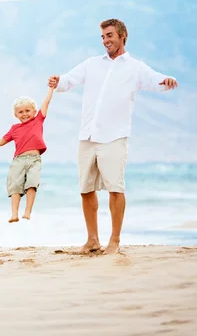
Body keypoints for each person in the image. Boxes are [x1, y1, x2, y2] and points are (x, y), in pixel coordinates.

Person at [48, 18, 178, 255]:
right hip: (87, 135)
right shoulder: (92, 64)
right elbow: (68, 80)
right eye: (103, 37)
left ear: (122, 35)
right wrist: (58, 81)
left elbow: (155, 80)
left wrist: (166, 81)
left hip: (115, 136)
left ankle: (114, 241)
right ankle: (92, 240)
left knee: (115, 189)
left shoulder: (135, 67)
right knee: (86, 189)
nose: (106, 40)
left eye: (109, 35)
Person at [0, 87, 54, 223]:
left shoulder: (38, 120)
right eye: (20, 112)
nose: (24, 114)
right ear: (16, 115)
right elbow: (1, 141)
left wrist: (51, 89)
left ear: (34, 112)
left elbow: (46, 102)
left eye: (27, 111)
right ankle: (14, 214)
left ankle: (27, 211)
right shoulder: (14, 129)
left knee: (32, 184)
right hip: (18, 161)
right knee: (15, 186)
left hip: (34, 160)